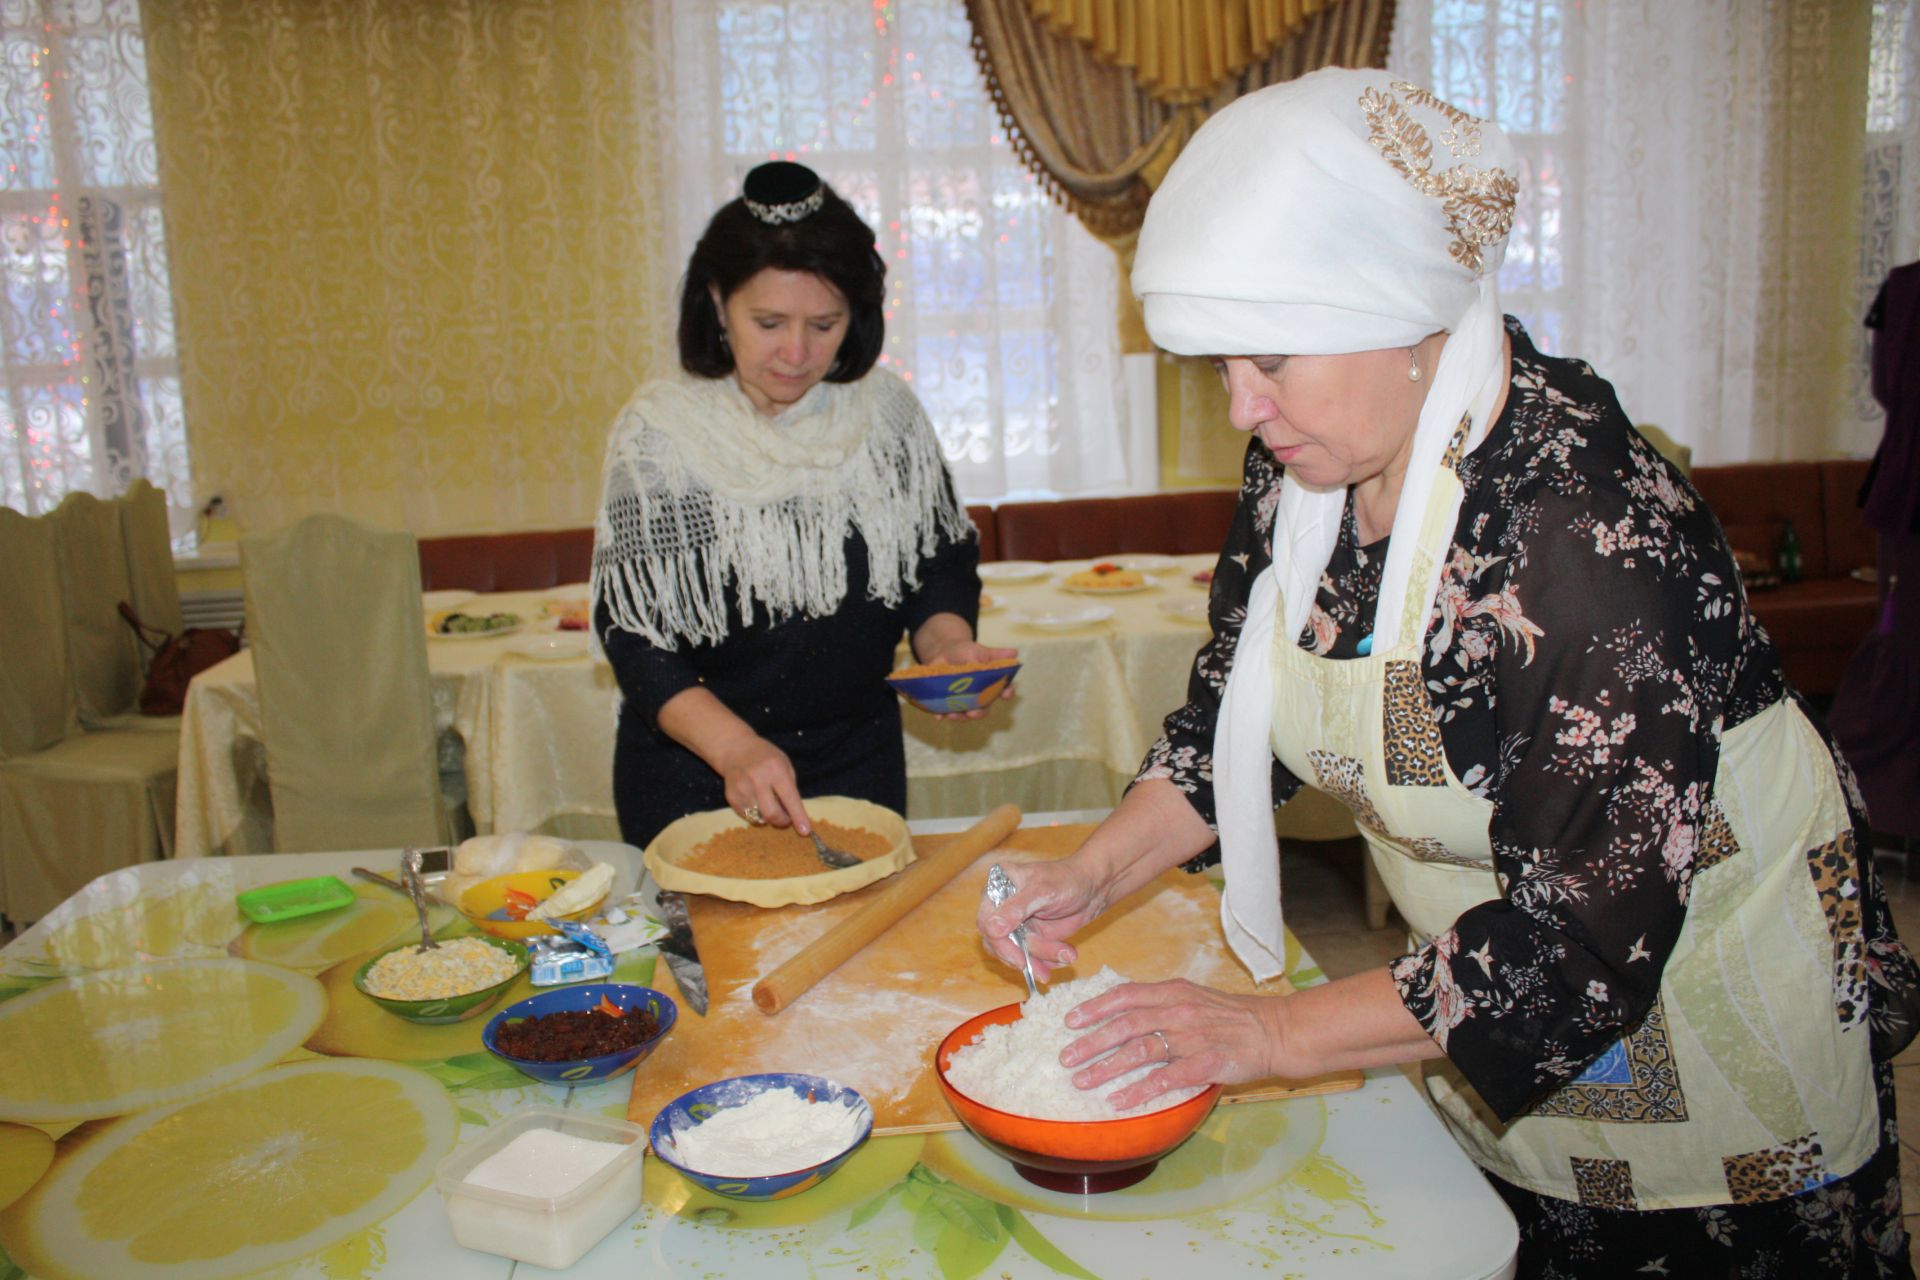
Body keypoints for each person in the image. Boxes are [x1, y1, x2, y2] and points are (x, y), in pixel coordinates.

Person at [977, 70, 1920, 1277]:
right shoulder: (1308, 465)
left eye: (1268, 357)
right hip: (1483, 1004)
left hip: (1712, 1025)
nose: (1240, 406)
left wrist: (1267, 1034)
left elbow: (1581, 939)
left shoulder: (1578, 524)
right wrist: (1090, 872)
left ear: (1407, 308)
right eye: (1217, 365)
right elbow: (1236, 715)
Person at [592, 161, 1013, 848]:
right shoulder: (663, 435)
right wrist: (734, 748)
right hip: (698, 770)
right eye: (768, 322)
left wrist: (947, 646)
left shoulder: (886, 416)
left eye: (824, 324)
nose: (796, 352)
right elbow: (636, 635)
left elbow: (936, 557)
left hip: (857, 760)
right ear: (717, 302)